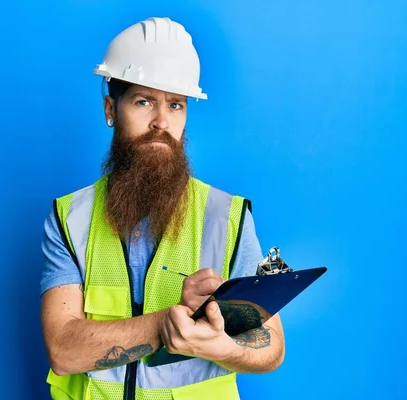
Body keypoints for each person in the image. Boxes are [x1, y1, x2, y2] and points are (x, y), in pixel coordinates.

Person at [40, 16, 285, 400]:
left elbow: (272, 347)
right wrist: (167, 325)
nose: (161, 121)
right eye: (143, 101)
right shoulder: (70, 218)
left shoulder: (228, 217)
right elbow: (63, 351)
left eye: (175, 104)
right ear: (111, 109)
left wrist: (219, 345)